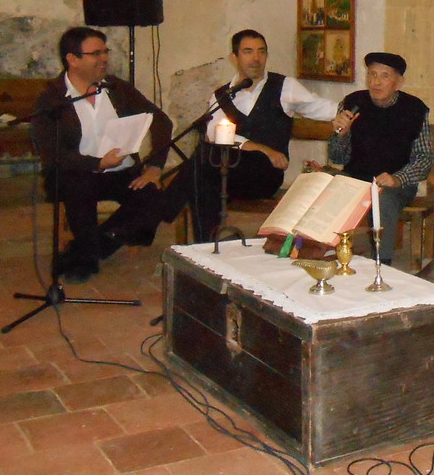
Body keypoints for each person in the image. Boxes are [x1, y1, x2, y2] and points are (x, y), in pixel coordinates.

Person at [153, 30, 345, 241]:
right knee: (205, 177)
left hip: (264, 175)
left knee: (203, 163)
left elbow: (322, 108)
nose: (256, 58)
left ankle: (164, 211)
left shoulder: (284, 87)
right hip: (227, 173)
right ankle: (206, 244)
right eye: (248, 52)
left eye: (261, 52)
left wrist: (353, 109)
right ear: (234, 58)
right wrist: (259, 147)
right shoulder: (221, 96)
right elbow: (215, 135)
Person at [30, 27, 172, 283]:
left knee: (153, 197)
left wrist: (154, 167)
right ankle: (86, 259)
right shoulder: (52, 99)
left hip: (122, 173)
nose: (104, 58)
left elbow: (161, 121)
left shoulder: (116, 89)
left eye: (105, 52)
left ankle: (87, 249)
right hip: (79, 172)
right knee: (77, 186)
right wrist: (97, 162)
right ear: (72, 59)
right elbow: (52, 154)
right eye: (95, 53)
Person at [324, 51, 432, 263]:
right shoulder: (352, 103)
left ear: (398, 82)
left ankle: (382, 264)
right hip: (356, 178)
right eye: (372, 75)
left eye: (384, 76)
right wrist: (342, 136)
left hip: (396, 183)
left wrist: (398, 178)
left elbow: (425, 158)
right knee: (329, 189)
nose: (376, 82)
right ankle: (325, 251)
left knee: (383, 199)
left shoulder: (414, 109)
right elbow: (336, 156)